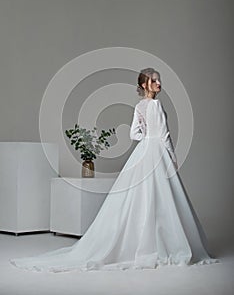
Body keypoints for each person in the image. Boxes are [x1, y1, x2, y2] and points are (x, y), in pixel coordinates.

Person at [9, 67, 220, 272]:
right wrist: (172, 157)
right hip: (158, 153)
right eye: (154, 80)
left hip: (144, 151)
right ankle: (161, 244)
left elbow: (133, 135)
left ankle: (139, 243)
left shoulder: (140, 106)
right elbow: (164, 135)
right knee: (163, 198)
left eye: (159, 80)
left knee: (138, 198)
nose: (159, 83)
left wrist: (147, 136)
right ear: (144, 84)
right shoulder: (156, 105)